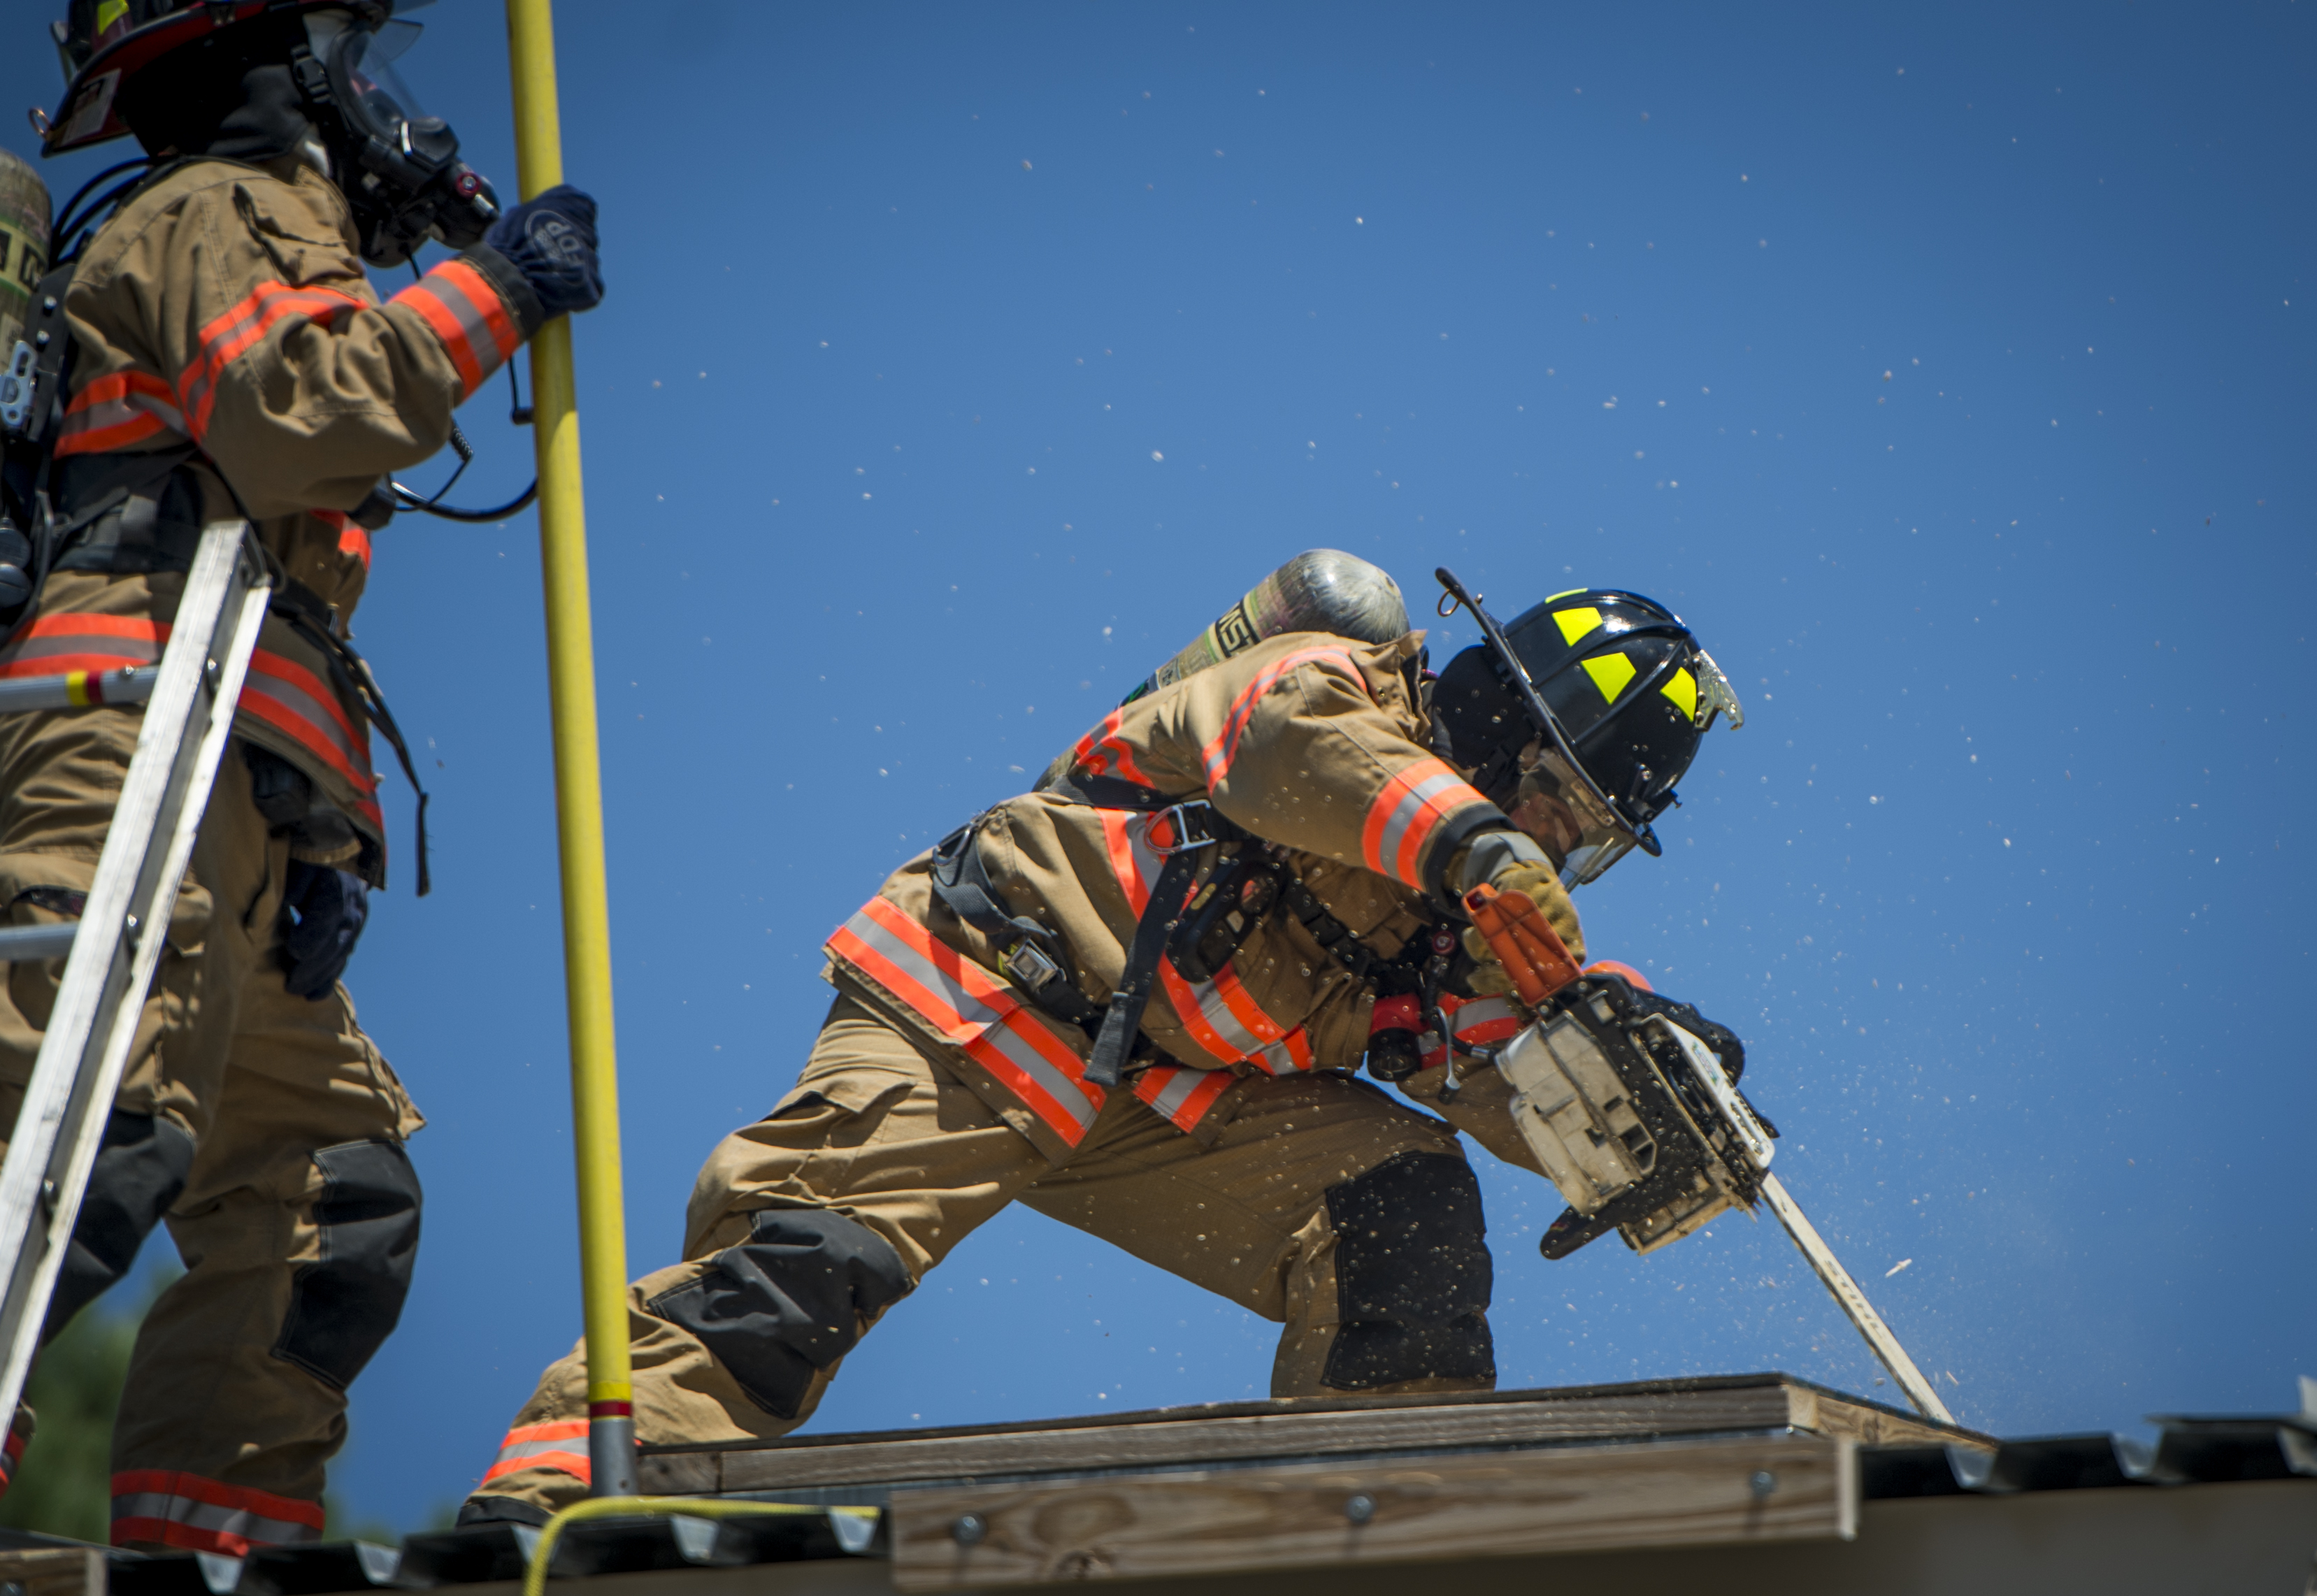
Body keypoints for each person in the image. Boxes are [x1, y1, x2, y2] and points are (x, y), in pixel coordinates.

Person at [462, 560, 1742, 1524]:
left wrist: (1644, 1081)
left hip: (1164, 1109)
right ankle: (561, 1503)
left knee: (1400, 1213)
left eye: (1590, 835)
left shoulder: (1447, 913)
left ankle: (1369, 1528)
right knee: (803, 1276)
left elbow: (1502, 1058)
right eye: (1564, 803)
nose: (1564, 847)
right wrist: (1479, 846)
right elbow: (1296, 753)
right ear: (1505, 722)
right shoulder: (1329, 681)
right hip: (985, 1008)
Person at [0, 0, 602, 1553]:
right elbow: (297, 414)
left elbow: (276, 586)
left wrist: (321, 828)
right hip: (124, 735)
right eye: (359, 59)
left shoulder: (265, 218)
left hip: (230, 791)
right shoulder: (215, 206)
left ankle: (198, 1543)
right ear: (277, 59)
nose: (387, 111)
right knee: (62, 1135)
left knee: (331, 1191)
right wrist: (496, 288)